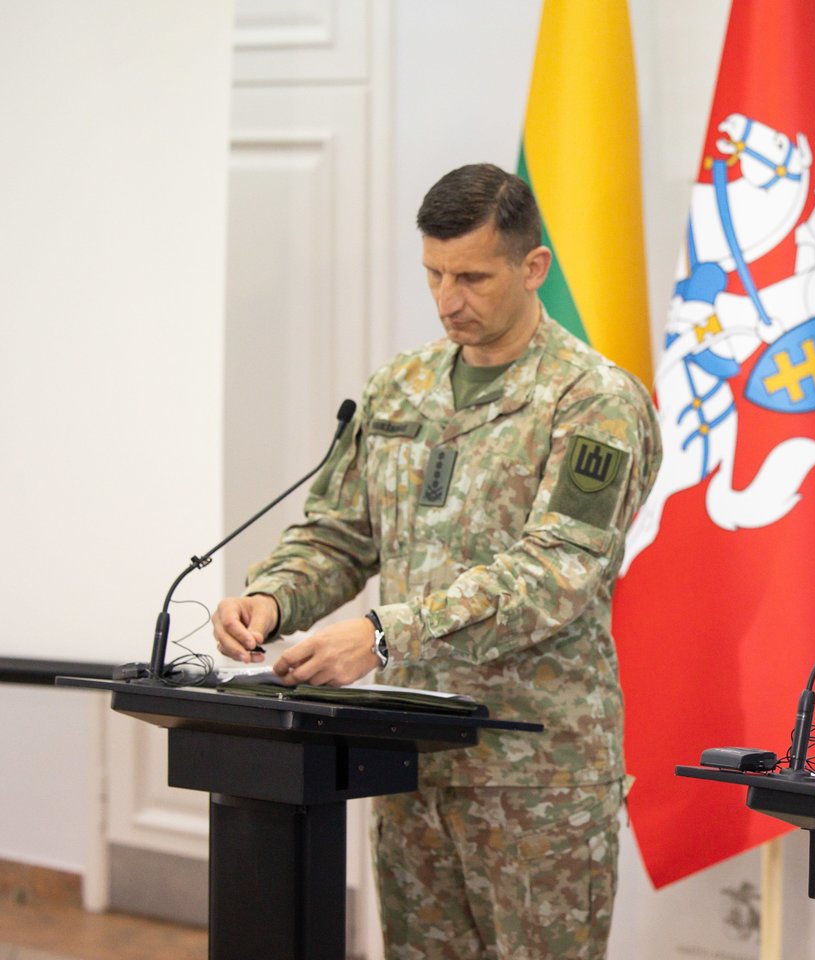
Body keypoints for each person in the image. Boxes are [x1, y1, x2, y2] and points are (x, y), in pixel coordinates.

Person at [210, 162, 662, 959]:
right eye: (434, 275)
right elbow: (340, 533)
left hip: (535, 770)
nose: (449, 299)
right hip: (410, 755)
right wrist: (274, 598)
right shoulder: (400, 388)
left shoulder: (594, 401)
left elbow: (556, 571)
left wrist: (385, 635)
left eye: (473, 277)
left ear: (533, 267)